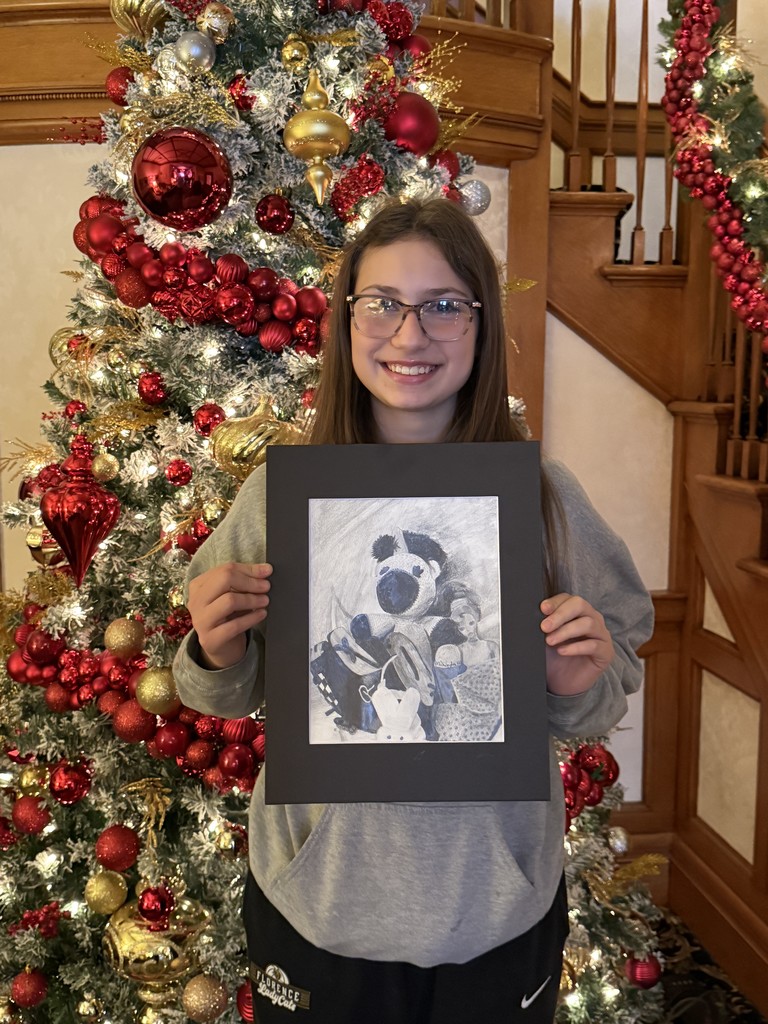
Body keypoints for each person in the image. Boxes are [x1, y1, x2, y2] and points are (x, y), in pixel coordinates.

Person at [173, 197, 654, 1023]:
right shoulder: (279, 497)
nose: (409, 333)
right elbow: (221, 691)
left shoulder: (544, 500)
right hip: (320, 905)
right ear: (347, 320)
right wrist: (215, 653)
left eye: (443, 306)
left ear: (481, 323)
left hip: (495, 911)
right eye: (382, 304)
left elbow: (613, 668)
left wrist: (577, 681)